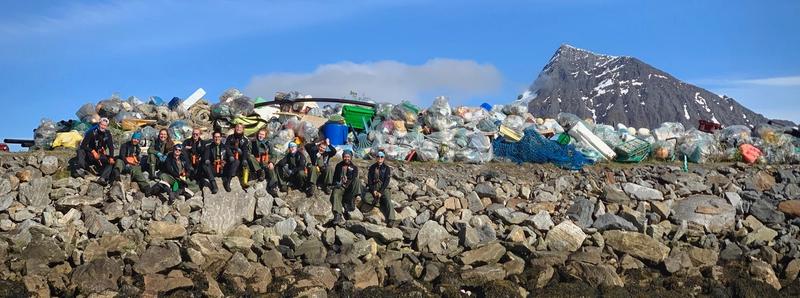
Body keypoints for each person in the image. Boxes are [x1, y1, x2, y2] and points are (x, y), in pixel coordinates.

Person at [74, 117, 115, 186]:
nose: (103, 127)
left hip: (100, 155)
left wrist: (111, 157)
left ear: (106, 126)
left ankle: (103, 178)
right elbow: (83, 145)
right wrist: (93, 151)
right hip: (90, 154)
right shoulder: (91, 132)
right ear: (99, 124)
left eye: (105, 125)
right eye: (101, 125)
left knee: (112, 162)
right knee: (80, 150)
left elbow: (111, 147)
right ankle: (80, 169)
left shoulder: (107, 134)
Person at [361, 151, 397, 226]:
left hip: (383, 188)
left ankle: (391, 219)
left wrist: (380, 191)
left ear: (383, 158)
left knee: (388, 200)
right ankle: (379, 203)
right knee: (365, 197)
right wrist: (373, 190)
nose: (380, 158)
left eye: (381, 157)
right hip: (374, 187)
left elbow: (386, 181)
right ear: (376, 158)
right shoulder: (372, 167)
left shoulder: (387, 168)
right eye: (378, 156)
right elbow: (370, 181)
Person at [329, 149, 361, 226]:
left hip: (349, 187)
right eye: (345, 156)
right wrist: (337, 184)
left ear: (351, 157)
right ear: (343, 157)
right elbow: (335, 178)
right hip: (340, 186)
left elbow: (353, 179)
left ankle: (352, 199)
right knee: (335, 194)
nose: (347, 158)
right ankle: (338, 214)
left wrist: (346, 183)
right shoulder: (339, 166)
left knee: (357, 180)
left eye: (348, 157)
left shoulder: (354, 168)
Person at [249, 128, 280, 197]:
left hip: (265, 162)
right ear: (257, 134)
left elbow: (274, 154)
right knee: (250, 156)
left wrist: (272, 162)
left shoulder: (268, 143)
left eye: (263, 134)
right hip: (255, 163)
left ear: (265, 135)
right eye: (260, 134)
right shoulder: (252, 142)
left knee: (271, 169)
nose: (261, 136)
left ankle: (273, 187)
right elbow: (248, 152)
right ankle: (260, 172)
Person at [225, 124, 251, 189]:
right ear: (234, 128)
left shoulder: (245, 139)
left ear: (243, 130)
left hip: (240, 157)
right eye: (237, 127)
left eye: (240, 127)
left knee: (246, 163)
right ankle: (228, 181)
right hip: (230, 157)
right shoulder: (230, 137)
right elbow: (226, 146)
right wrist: (231, 153)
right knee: (236, 162)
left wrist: (244, 159)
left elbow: (245, 149)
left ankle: (245, 182)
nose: (238, 128)